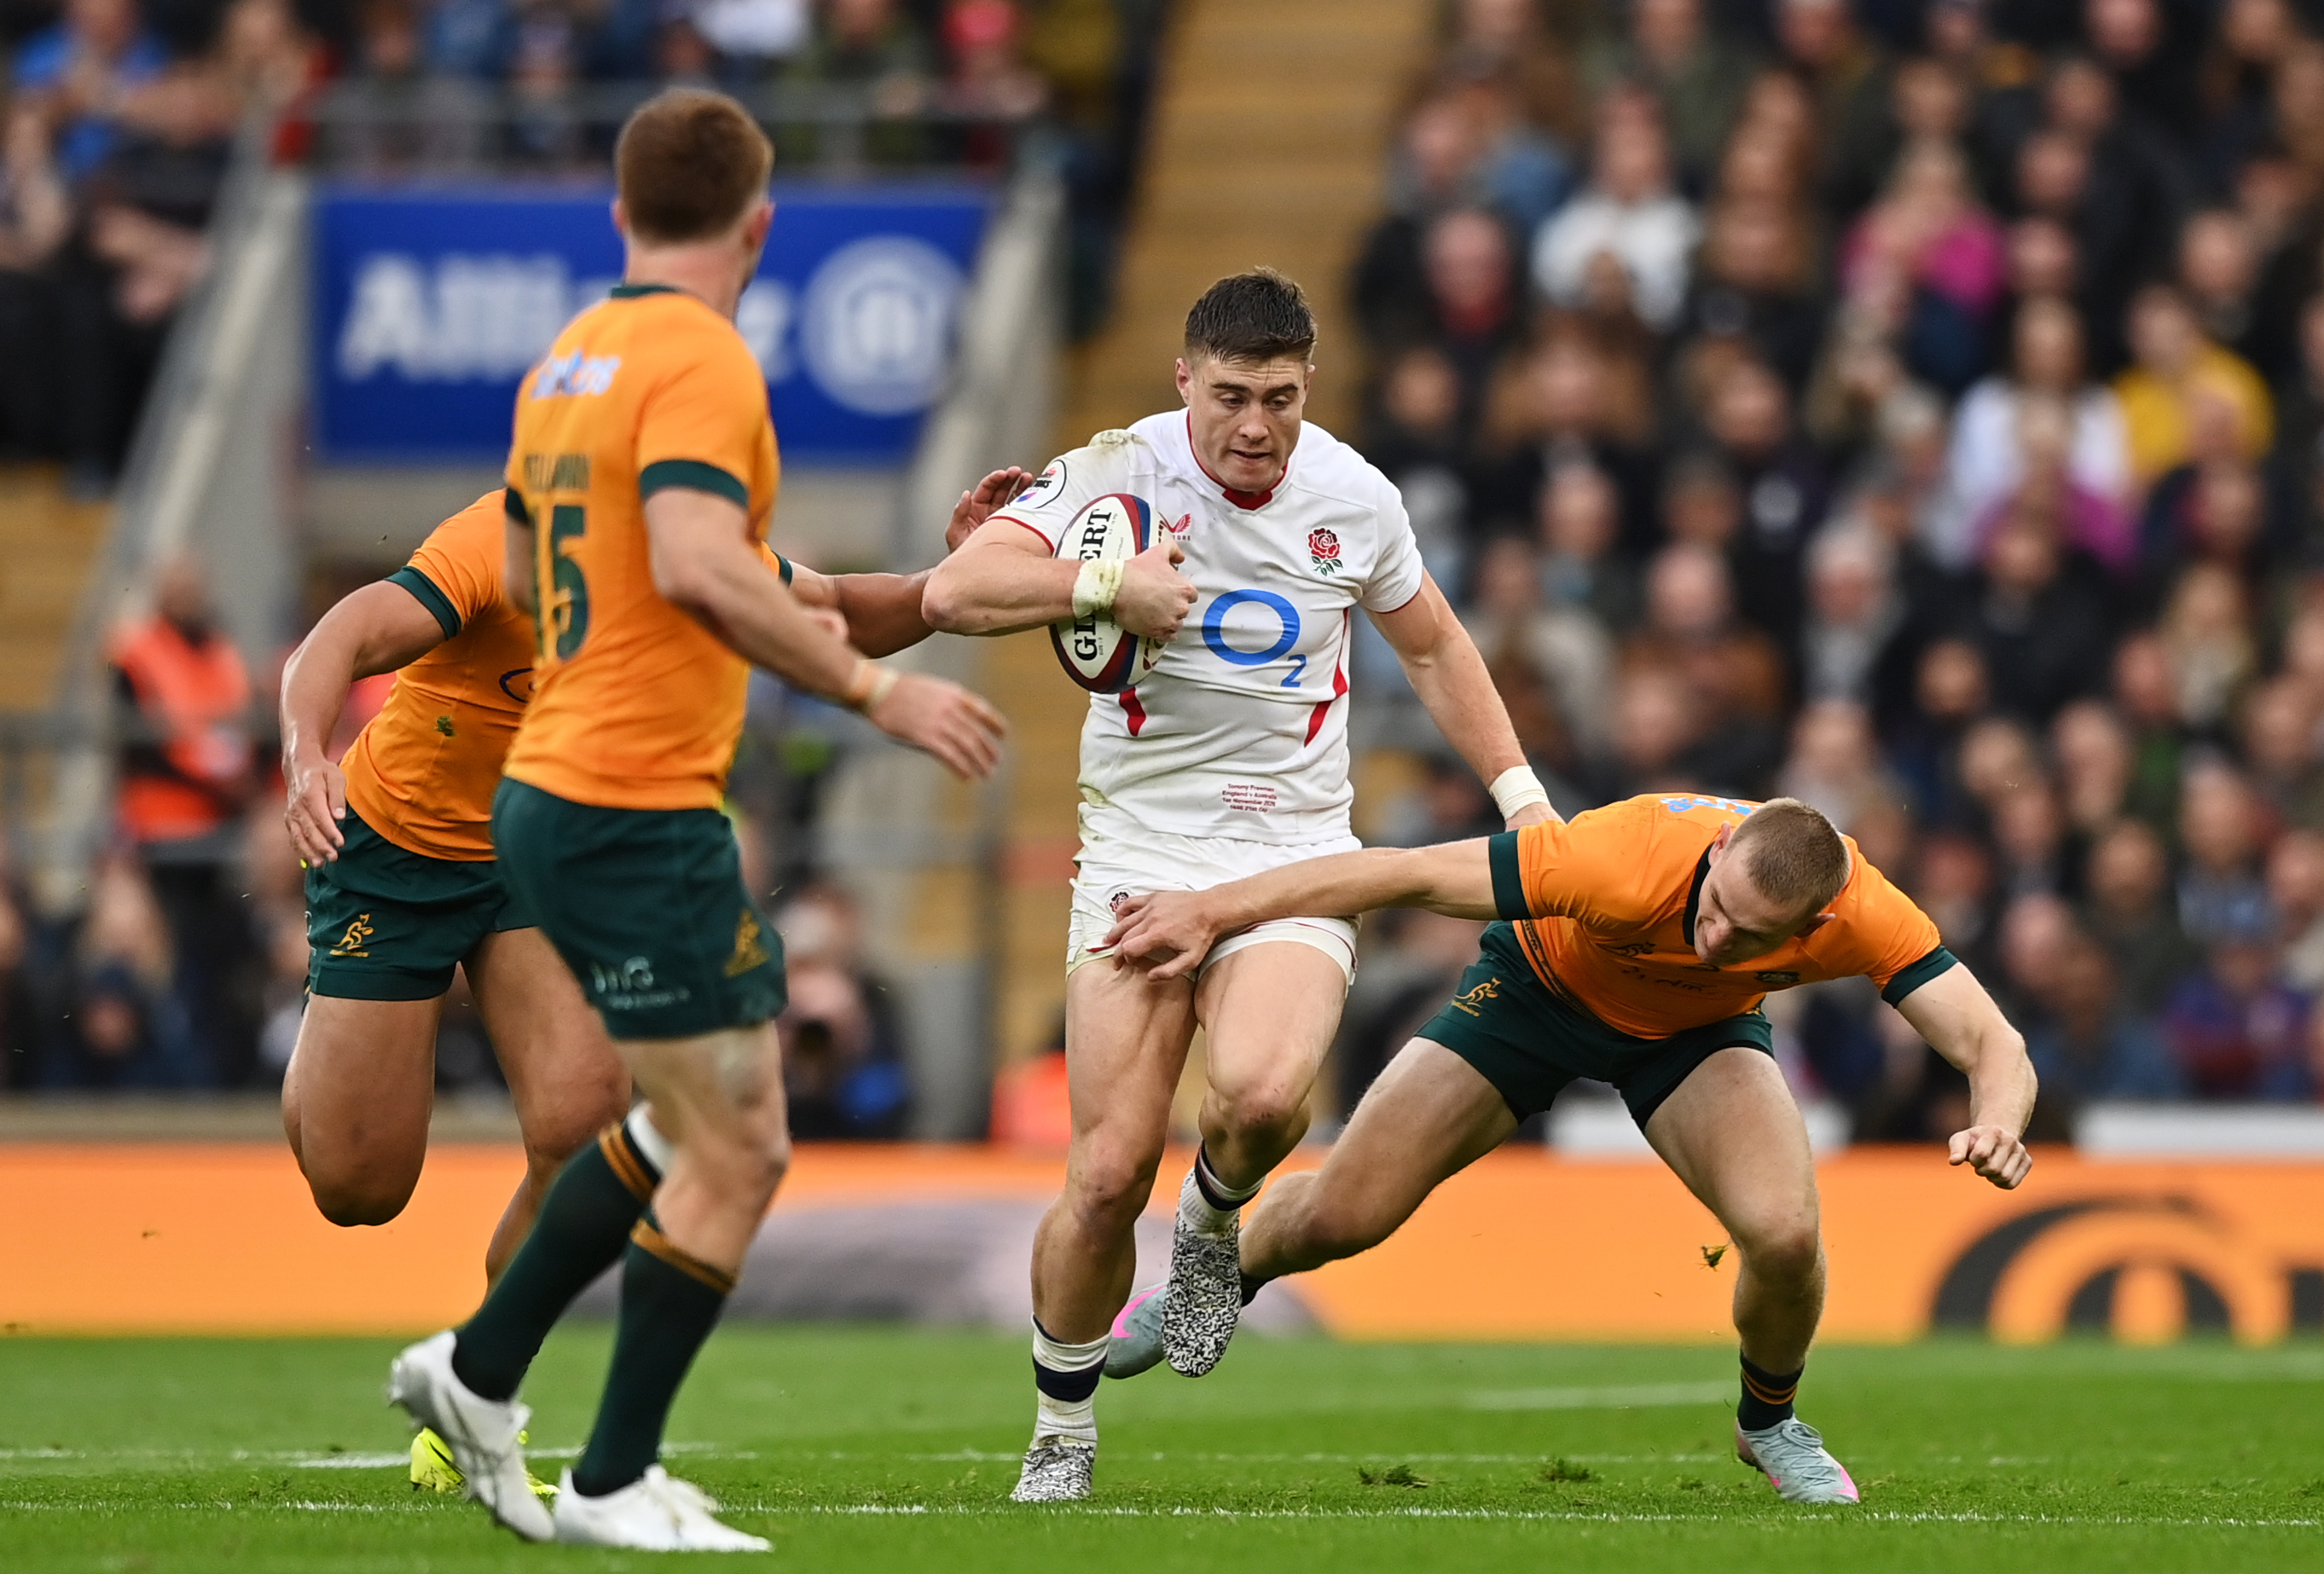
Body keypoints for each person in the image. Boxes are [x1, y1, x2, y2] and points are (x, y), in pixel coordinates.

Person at [383, 89, 1006, 1554]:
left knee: (691, 1123)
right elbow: (696, 558)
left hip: (551, 779)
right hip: (630, 803)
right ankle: (605, 1476)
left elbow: (564, 574)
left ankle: (477, 1373)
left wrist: (891, 593)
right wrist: (873, 691)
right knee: (739, 1147)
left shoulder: (568, 363)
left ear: (620, 215)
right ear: (760, 223)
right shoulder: (707, 360)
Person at [921, 269, 1547, 1503]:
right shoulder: (1117, 470)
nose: (1254, 427)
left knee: (1263, 1102)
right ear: (1182, 383)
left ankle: (1209, 1233)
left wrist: (1520, 795)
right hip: (1139, 858)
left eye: (1280, 398)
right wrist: (1102, 584)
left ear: (1308, 387)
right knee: (1103, 1176)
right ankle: (1062, 1427)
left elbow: (1429, 643)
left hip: (1291, 854)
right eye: (1228, 397)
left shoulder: (1355, 498)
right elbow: (954, 591)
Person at [281, 463, 1022, 1492]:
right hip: (394, 848)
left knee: (586, 1127)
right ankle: (323, 1038)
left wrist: (959, 574)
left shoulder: (697, 556)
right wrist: (305, 749)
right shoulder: (501, 538)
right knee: (356, 1187)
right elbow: (352, 631)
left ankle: (473, 1396)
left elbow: (843, 611)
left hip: (541, 856)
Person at [1103, 792, 2035, 1504]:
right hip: (1532, 996)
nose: (1715, 937)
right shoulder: (1617, 860)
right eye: (1715, 907)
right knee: (1346, 1214)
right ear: (1713, 852)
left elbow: (1993, 1043)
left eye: (1750, 936)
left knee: (1786, 1237)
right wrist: (1212, 910)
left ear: (1814, 924)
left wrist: (1998, 1118)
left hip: (1691, 1036)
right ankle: (1212, 1277)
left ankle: (1770, 1423)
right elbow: (1396, 874)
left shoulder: (1866, 912)